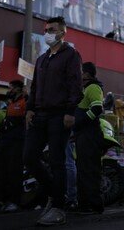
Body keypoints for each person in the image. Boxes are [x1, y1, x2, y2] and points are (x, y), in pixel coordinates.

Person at [24, 16, 82, 226]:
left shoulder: (71, 55)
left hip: (59, 115)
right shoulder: (42, 58)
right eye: (46, 29)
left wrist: (70, 111)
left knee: (58, 161)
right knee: (29, 157)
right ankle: (54, 192)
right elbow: (34, 87)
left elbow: (75, 85)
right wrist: (30, 108)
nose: (48, 32)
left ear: (63, 32)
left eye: (52, 29)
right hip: (39, 114)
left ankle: (58, 208)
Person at [0, 80, 27, 213]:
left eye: (11, 87)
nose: (9, 90)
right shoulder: (11, 103)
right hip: (5, 140)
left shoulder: (26, 102)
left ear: (19, 89)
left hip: (18, 141)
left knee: (14, 171)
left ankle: (13, 201)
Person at [74, 62, 105, 214]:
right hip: (83, 135)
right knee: (83, 169)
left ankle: (93, 205)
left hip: (90, 135)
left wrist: (80, 122)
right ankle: (84, 204)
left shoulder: (93, 88)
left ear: (86, 74)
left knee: (89, 170)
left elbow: (97, 108)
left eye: (80, 71)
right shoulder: (83, 89)